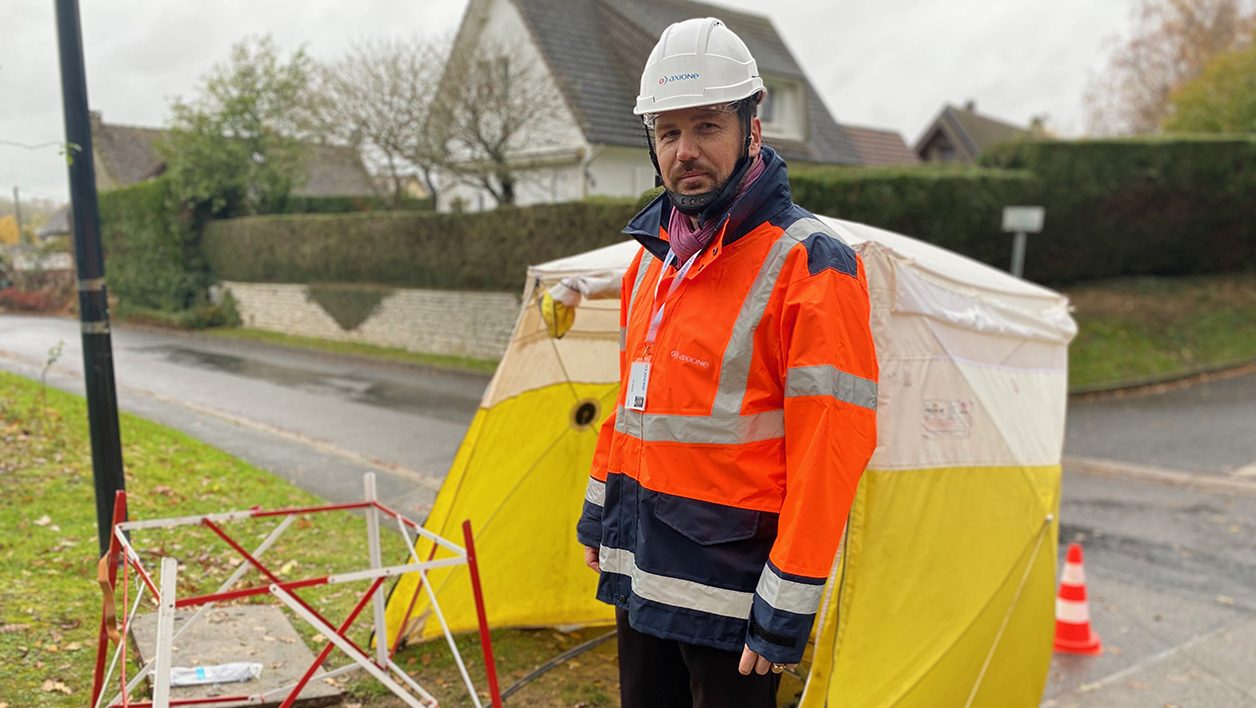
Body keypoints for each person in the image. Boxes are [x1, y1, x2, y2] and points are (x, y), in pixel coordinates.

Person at [575, 16, 879, 708]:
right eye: (669, 131)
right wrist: (600, 514)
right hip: (640, 572)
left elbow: (831, 449)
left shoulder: (812, 264)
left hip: (731, 606)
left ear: (752, 130)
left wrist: (785, 605)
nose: (686, 150)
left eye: (708, 126)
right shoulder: (648, 266)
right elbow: (633, 406)